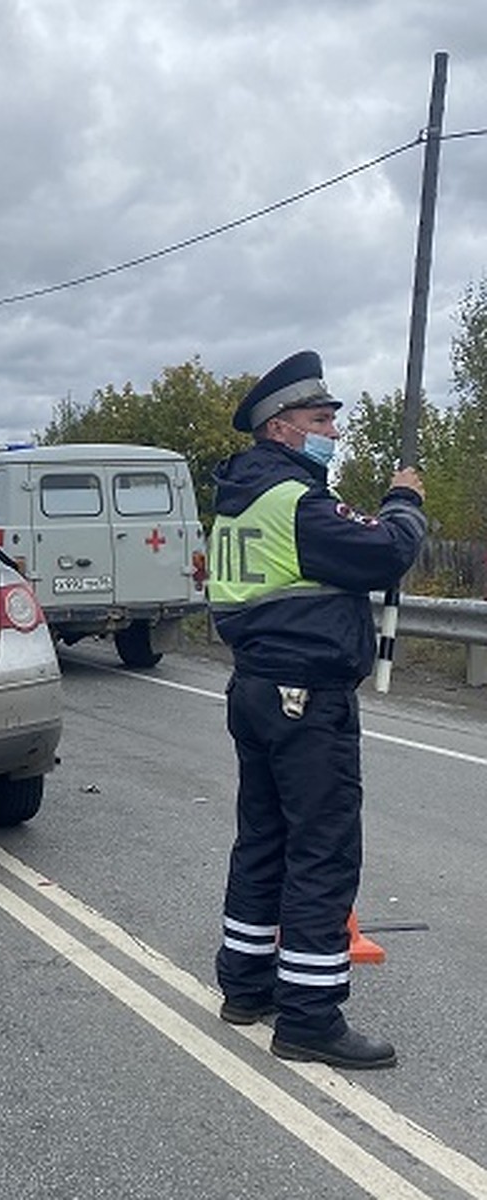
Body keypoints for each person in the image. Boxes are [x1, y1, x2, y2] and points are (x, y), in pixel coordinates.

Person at [207, 350, 426, 1070]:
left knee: (263, 838)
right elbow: (384, 553)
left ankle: (245, 983)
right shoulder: (296, 501)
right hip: (305, 696)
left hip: (255, 688)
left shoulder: (238, 497)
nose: (333, 428)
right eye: (320, 418)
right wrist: (405, 501)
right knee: (322, 849)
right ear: (280, 428)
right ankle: (309, 1017)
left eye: (333, 416)